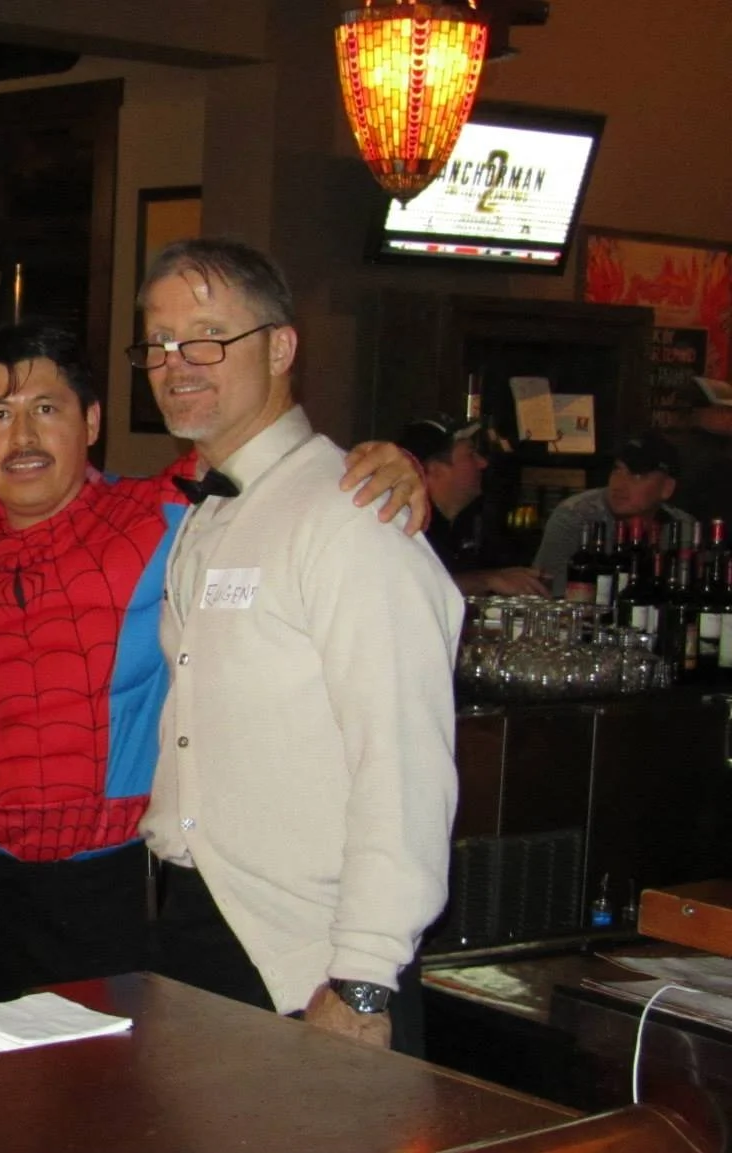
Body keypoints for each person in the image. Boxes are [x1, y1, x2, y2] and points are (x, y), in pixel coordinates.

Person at [0, 320, 429, 1011]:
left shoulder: (169, 512)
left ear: (91, 420)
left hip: (125, 892)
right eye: (0, 415)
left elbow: (279, 467)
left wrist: (390, 464)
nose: (25, 437)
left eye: (48, 409)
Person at [135, 238, 459, 1056]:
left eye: (208, 335)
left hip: (312, 961)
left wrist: (362, 978)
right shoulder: (206, 511)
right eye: (160, 341)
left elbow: (405, 764)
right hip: (198, 927)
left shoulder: (353, 514)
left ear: (280, 347)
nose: (179, 362)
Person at [395, 414, 546, 597]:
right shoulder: (405, 525)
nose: (483, 463)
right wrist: (487, 580)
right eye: (471, 454)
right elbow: (412, 590)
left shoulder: (470, 521)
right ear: (435, 469)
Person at [532, 432, 696, 596]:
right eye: (617, 470)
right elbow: (547, 592)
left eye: (637, 475)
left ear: (667, 488)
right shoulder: (576, 516)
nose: (619, 484)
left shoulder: (683, 528)